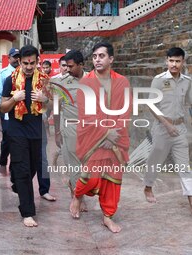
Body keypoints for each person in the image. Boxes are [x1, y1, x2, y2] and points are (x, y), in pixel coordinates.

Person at [69, 42, 131, 233]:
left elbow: (126, 111)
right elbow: (86, 113)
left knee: (112, 181)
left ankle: (107, 216)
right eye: (95, 56)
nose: (97, 59)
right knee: (92, 178)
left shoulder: (122, 82)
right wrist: (104, 132)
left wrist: (114, 133)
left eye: (102, 56)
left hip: (116, 139)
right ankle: (77, 196)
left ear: (111, 59)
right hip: (92, 138)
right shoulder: (86, 83)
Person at [0, 45, 49, 227]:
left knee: (33, 168)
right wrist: (14, 99)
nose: (29, 67)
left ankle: (18, 184)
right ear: (19, 62)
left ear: (37, 62)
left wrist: (46, 100)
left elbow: (53, 107)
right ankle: (27, 212)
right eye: (25, 63)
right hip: (17, 131)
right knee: (22, 170)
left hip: (36, 132)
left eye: (33, 63)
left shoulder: (44, 81)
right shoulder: (10, 81)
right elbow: (2, 108)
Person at [143, 47, 192, 207]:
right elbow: (151, 105)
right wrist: (167, 124)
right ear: (167, 61)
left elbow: (189, 104)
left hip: (180, 129)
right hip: (161, 128)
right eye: (171, 61)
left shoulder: (187, 81)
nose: (174, 64)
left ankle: (191, 198)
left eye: (178, 61)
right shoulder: (158, 80)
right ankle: (148, 187)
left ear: (183, 62)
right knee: (155, 160)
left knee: (184, 166)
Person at [53, 50, 88, 197]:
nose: (67, 69)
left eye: (71, 66)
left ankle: (77, 187)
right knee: (74, 165)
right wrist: (57, 132)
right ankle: (77, 196)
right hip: (70, 127)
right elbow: (56, 108)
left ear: (81, 65)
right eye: (65, 66)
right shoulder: (62, 83)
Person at [0, 47, 20, 175]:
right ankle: (3, 161)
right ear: (9, 58)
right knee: (8, 136)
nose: (16, 59)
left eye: (18, 56)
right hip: (7, 109)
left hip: (22, 111)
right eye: (14, 57)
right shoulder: (3, 73)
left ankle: (15, 166)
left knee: (19, 138)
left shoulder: (24, 72)